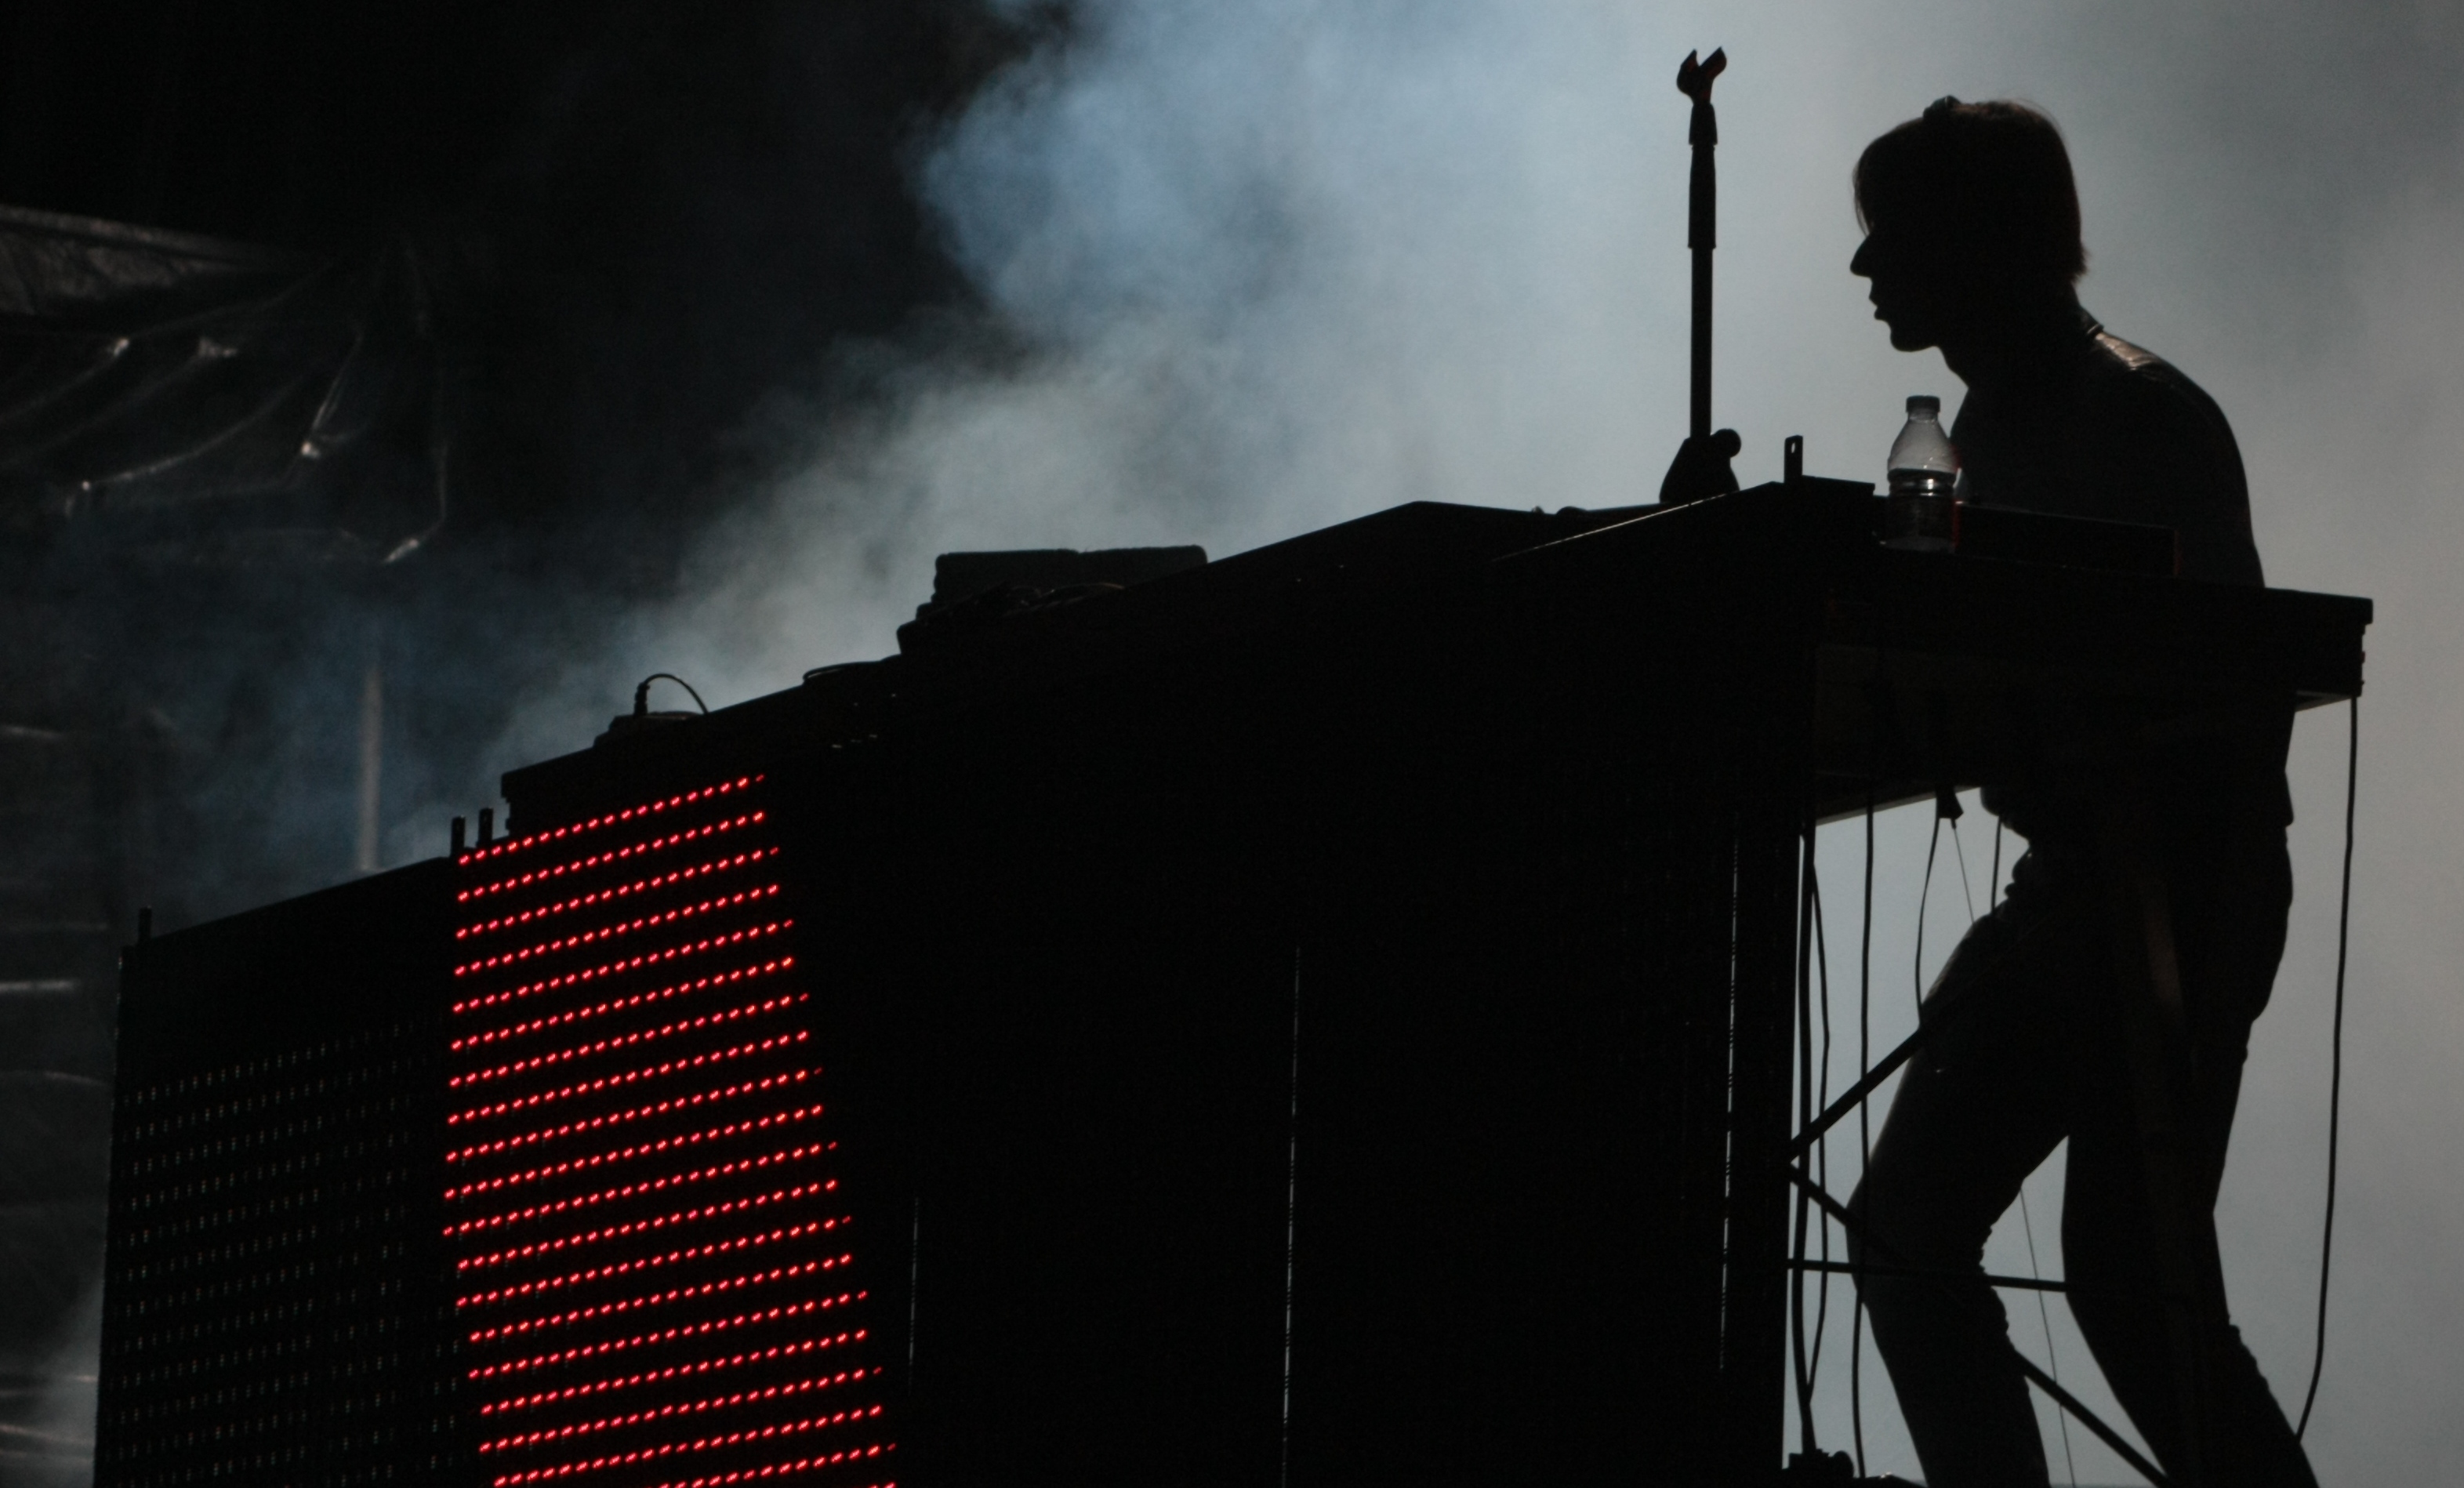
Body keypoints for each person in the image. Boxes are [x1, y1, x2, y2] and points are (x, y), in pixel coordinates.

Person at [1840, 99, 2318, 1487]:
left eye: (1890, 235)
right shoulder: (1999, 419)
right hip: (2095, 885)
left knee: (2117, 1277)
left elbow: (2222, 708)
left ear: (1975, 241)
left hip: (2173, 889)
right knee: (1946, 1238)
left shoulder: (2137, 415)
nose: (1865, 268)